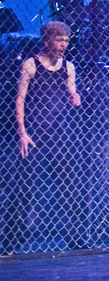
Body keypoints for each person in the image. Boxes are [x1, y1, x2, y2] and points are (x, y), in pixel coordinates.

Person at [3, 21, 86, 254]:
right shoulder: (31, 65)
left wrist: (75, 98)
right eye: (59, 40)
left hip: (59, 135)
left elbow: (72, 91)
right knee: (23, 188)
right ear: (47, 40)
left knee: (70, 186)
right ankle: (10, 241)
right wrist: (22, 133)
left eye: (66, 41)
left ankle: (76, 236)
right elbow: (19, 100)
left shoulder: (68, 67)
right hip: (34, 134)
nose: (63, 45)